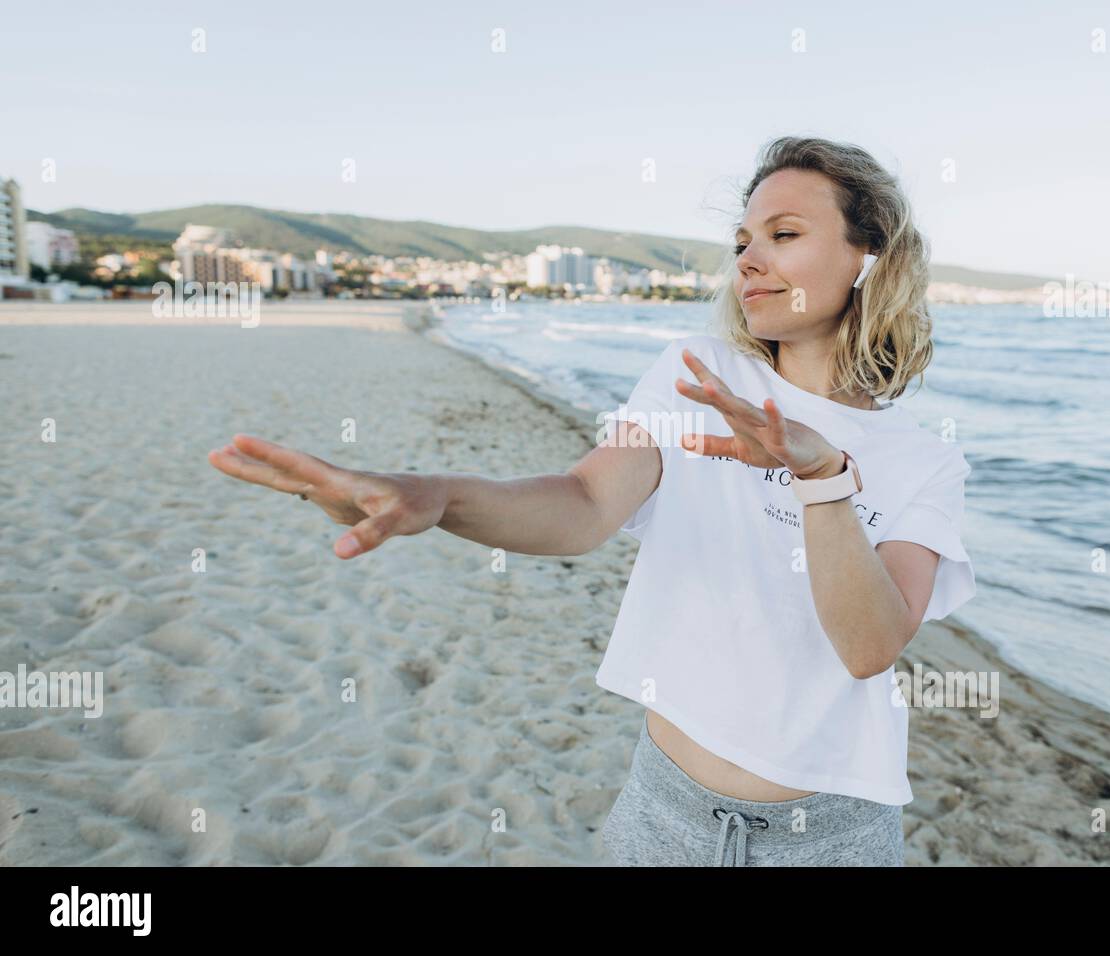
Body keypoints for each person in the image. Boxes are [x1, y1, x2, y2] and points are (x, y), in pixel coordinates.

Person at [207, 135, 976, 867]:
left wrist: (824, 479)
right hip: (664, 812)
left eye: (782, 234)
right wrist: (437, 497)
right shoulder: (699, 375)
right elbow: (582, 504)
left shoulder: (924, 461)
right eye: (742, 241)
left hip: (832, 840)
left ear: (869, 259)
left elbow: (870, 646)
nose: (749, 259)